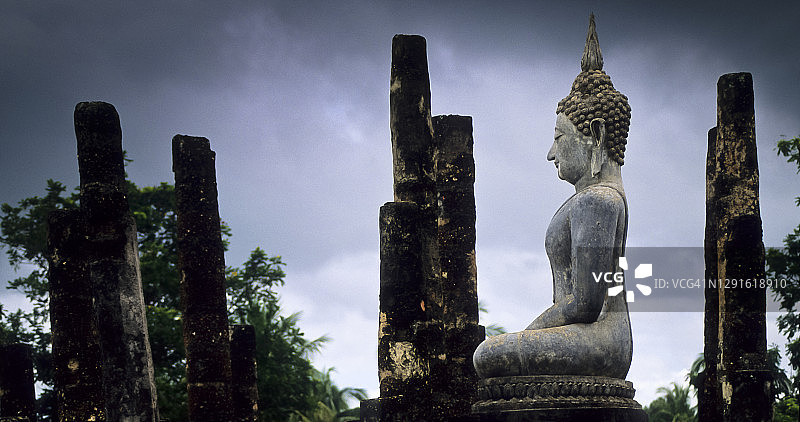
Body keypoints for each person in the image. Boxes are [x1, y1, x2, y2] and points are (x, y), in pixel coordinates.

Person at [473, 14, 634, 380]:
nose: (550, 153)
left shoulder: (600, 200)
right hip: (585, 335)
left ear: (595, 134)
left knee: (487, 356)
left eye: (559, 139)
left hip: (601, 339)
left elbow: (585, 304)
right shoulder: (590, 199)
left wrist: (528, 334)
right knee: (491, 356)